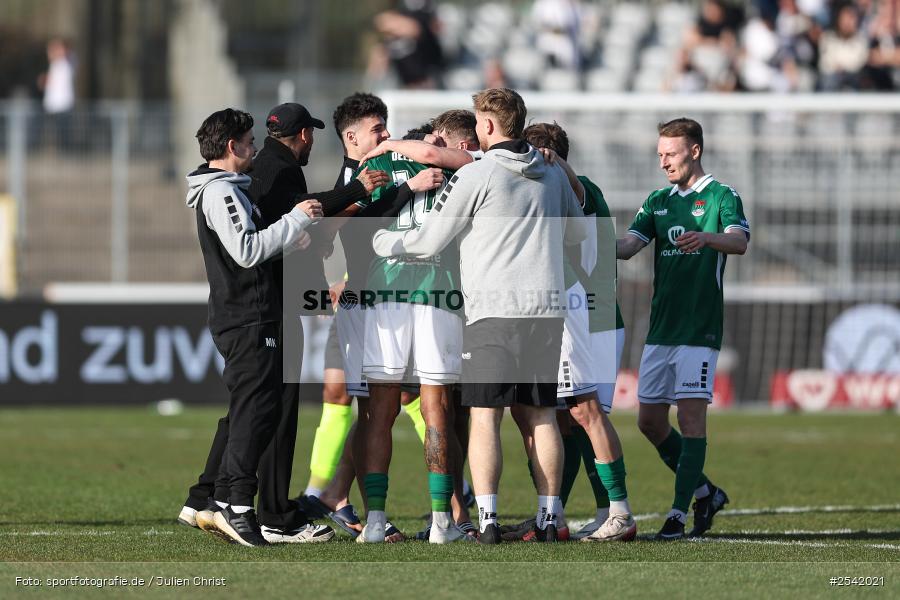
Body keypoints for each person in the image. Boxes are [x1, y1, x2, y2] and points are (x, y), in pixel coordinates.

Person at [372, 88, 589, 544]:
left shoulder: (479, 172)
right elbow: (577, 231)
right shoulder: (550, 171)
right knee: (543, 414)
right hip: (547, 309)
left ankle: (486, 519)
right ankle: (550, 518)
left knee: (486, 415)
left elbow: (430, 240)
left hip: (493, 310)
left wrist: (386, 243)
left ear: (487, 127)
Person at [180, 108, 322, 546]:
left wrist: (284, 234)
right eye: (248, 141)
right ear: (231, 147)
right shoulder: (221, 192)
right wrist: (297, 219)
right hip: (248, 313)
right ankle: (236, 505)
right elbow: (245, 251)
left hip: (245, 311)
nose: (254, 148)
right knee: (258, 407)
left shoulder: (229, 189)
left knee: (251, 405)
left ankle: (213, 498)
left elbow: (256, 243)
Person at [616, 117, 749, 540]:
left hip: (699, 328)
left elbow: (740, 240)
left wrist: (707, 238)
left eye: (670, 154)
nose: (663, 162)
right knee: (649, 422)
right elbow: (628, 247)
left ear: (694, 150)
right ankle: (707, 491)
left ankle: (678, 513)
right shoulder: (657, 200)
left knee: (691, 419)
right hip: (661, 330)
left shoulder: (721, 195)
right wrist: (580, 238)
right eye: (659, 155)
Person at [355, 110, 480, 544]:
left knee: (379, 411)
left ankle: (374, 521)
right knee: (437, 409)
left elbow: (360, 222)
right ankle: (442, 522)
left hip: (384, 287)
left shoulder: (381, 164)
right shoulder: (466, 168)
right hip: (437, 290)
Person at [516, 122, 635, 543]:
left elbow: (578, 198)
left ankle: (620, 511)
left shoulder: (576, 185)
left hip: (584, 315)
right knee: (568, 419)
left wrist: (555, 164)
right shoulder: (564, 190)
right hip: (594, 314)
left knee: (583, 411)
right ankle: (564, 515)